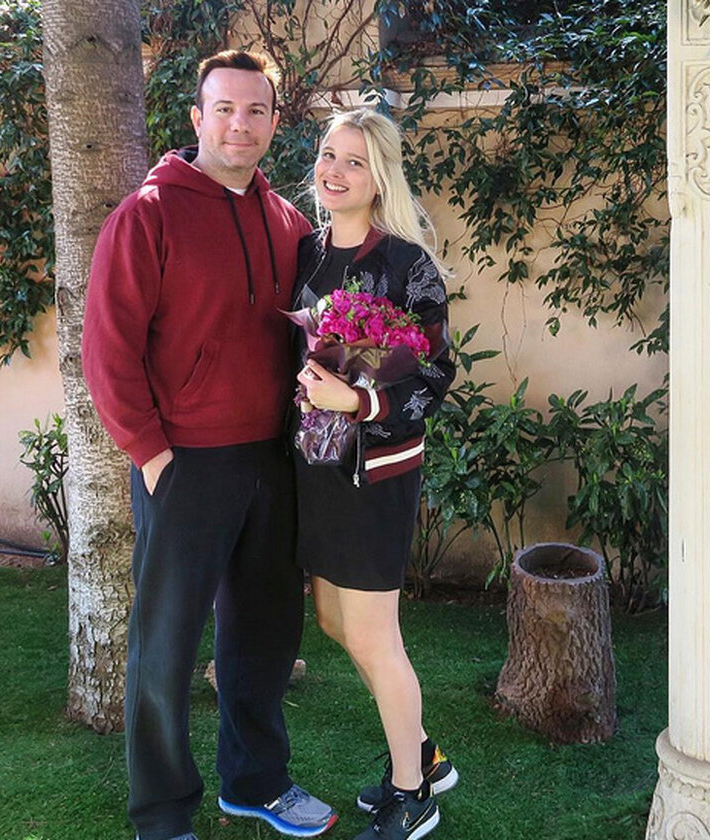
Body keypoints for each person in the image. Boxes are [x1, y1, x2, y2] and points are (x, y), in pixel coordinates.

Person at [82, 50, 337, 840]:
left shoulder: (290, 225)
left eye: (256, 110)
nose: (240, 124)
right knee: (165, 645)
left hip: (273, 463)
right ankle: (162, 815)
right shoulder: (148, 214)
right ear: (197, 118)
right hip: (184, 464)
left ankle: (255, 783)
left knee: (264, 636)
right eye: (224, 109)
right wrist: (153, 456)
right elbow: (108, 352)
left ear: (274, 122)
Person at [291, 108, 459, 840]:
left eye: (354, 161)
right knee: (335, 621)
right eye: (329, 154)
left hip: (375, 474)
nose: (335, 171)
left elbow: (434, 374)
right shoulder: (305, 253)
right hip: (315, 468)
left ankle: (412, 795)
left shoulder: (405, 265)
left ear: (380, 175)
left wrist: (359, 401)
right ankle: (423, 753)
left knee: (372, 634)